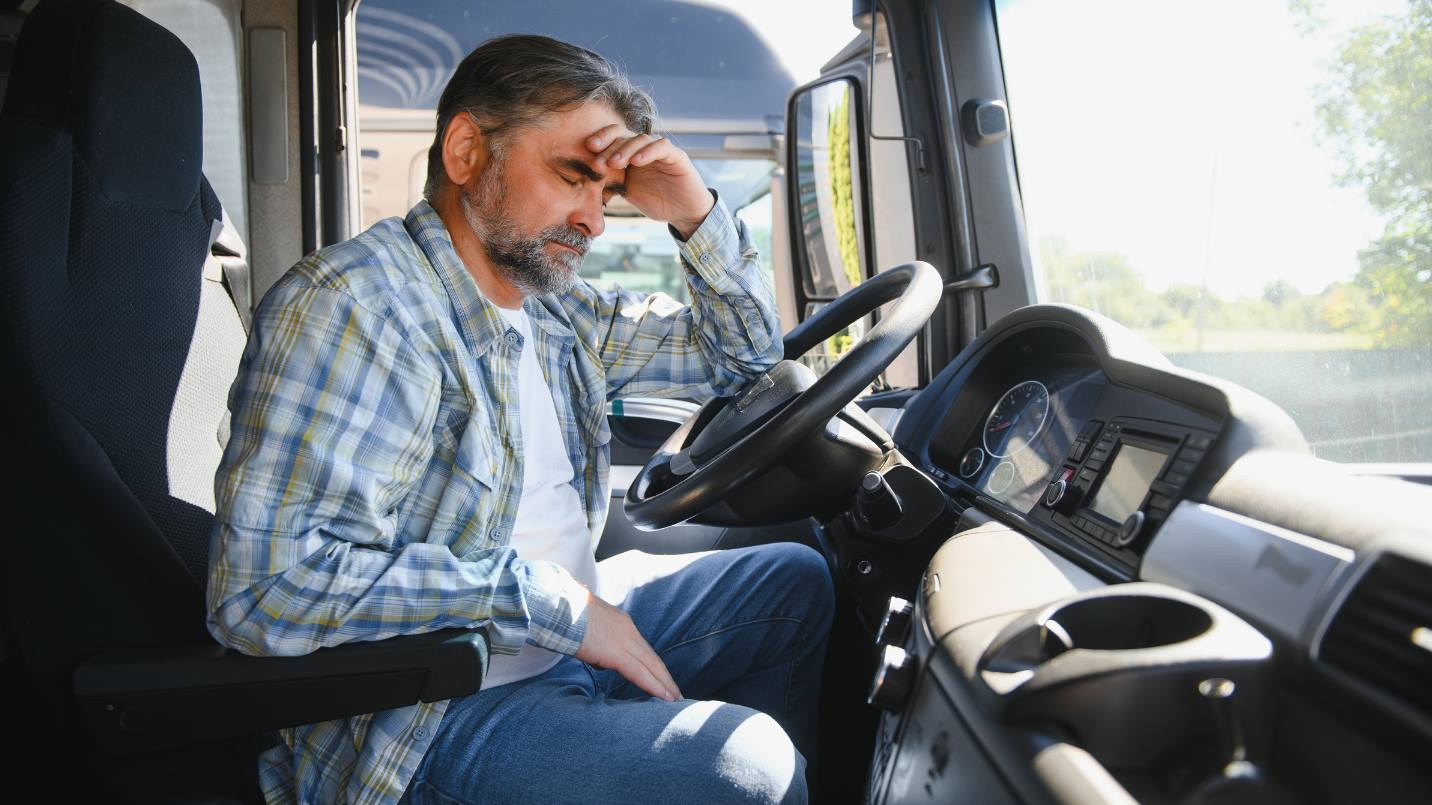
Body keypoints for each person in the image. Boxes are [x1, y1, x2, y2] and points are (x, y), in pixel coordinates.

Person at [206, 34, 834, 805]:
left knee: (794, 583)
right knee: (750, 766)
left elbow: (743, 360)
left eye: (609, 193)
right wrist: (555, 606)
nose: (595, 220)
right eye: (573, 176)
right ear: (467, 150)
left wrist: (693, 212)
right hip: (436, 710)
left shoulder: (553, 310)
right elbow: (266, 592)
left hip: (557, 643)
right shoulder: (357, 308)